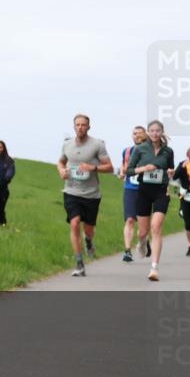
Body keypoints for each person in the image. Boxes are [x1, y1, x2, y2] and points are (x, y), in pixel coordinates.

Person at [57, 114, 113, 277]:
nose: (80, 127)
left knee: (88, 229)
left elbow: (109, 167)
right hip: (71, 191)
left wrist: (92, 168)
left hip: (91, 194)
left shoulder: (97, 145)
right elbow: (61, 161)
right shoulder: (67, 145)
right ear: (74, 127)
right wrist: (61, 170)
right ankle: (79, 263)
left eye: (83, 125)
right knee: (74, 223)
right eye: (77, 125)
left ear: (89, 127)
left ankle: (88, 240)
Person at [125, 119, 176, 281]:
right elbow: (129, 171)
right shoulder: (140, 149)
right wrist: (144, 168)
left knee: (156, 227)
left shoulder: (168, 151)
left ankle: (154, 268)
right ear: (148, 133)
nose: (154, 133)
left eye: (157, 130)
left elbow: (170, 169)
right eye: (152, 130)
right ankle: (141, 242)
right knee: (143, 232)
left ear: (161, 132)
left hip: (161, 191)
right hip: (144, 191)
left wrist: (170, 173)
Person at [117, 126, 148, 262]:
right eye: (134, 133)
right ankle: (127, 251)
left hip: (146, 189)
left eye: (139, 133)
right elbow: (124, 167)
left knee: (143, 226)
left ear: (145, 135)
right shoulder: (127, 151)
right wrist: (122, 173)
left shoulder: (151, 151)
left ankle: (144, 241)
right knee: (130, 220)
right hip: (130, 188)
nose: (136, 136)